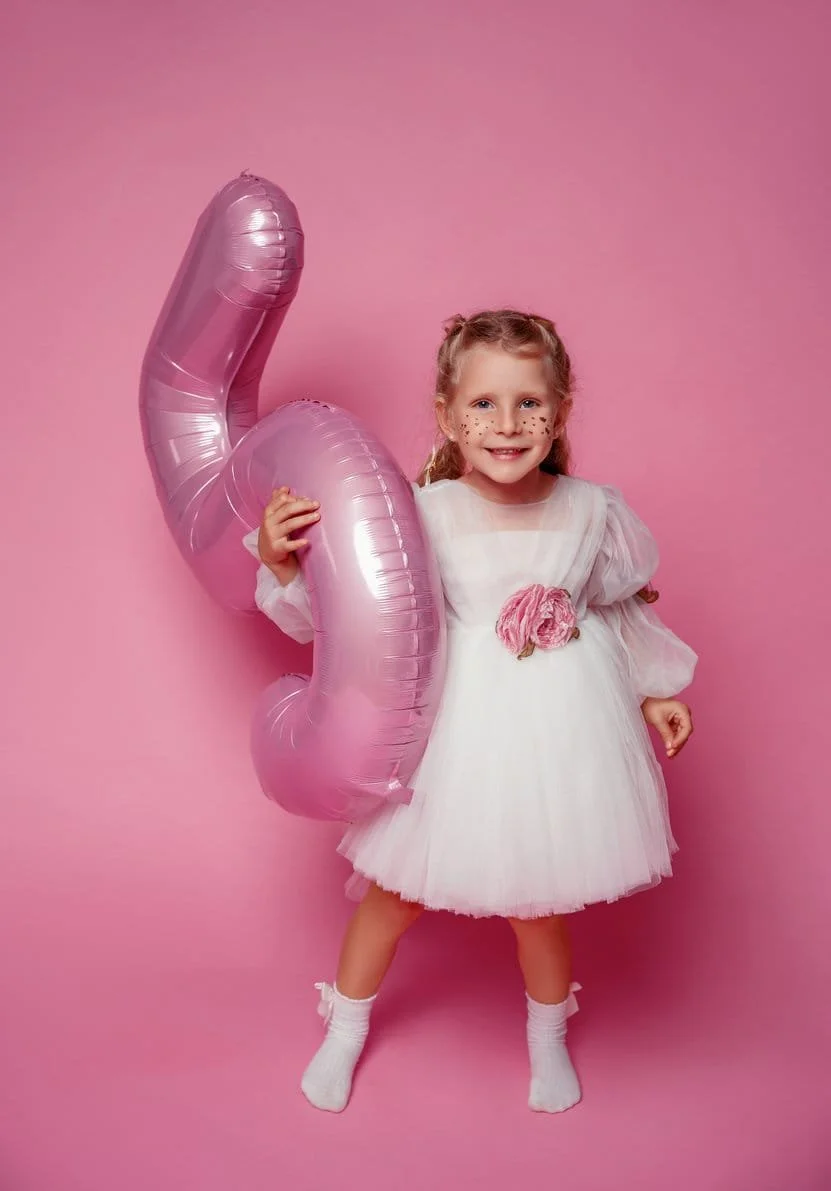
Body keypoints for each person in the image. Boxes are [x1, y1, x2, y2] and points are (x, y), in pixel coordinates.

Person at [243, 309, 697, 1116]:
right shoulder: (422, 512)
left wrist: (655, 687)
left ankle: (547, 1034)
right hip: (459, 735)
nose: (506, 423)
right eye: (483, 404)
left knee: (540, 904)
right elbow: (350, 621)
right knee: (395, 893)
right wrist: (282, 562)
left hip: (563, 732)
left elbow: (620, 608)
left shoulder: (593, 509)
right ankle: (344, 1027)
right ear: (448, 416)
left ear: (559, 412)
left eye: (528, 403)